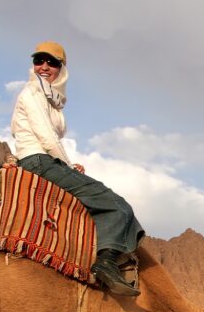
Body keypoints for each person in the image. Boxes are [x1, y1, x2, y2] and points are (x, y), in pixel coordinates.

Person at [11, 41, 144, 296]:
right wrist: (67, 165)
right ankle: (105, 263)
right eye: (39, 60)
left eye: (52, 62)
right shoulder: (33, 93)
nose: (44, 66)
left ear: (62, 69)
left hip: (42, 159)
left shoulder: (51, 98)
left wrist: (68, 165)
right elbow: (47, 138)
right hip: (39, 160)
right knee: (117, 206)